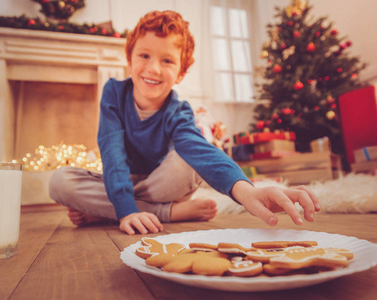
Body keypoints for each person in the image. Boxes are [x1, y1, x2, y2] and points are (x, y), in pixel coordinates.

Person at [49, 10, 320, 235]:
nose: (153, 68)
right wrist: (126, 210)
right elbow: (112, 153)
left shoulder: (178, 110)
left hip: (163, 184)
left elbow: (200, 151)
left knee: (188, 162)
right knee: (60, 181)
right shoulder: (113, 93)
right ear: (129, 59)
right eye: (144, 56)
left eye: (167, 60)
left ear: (181, 72)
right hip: (128, 180)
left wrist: (247, 191)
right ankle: (164, 213)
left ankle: (107, 210)